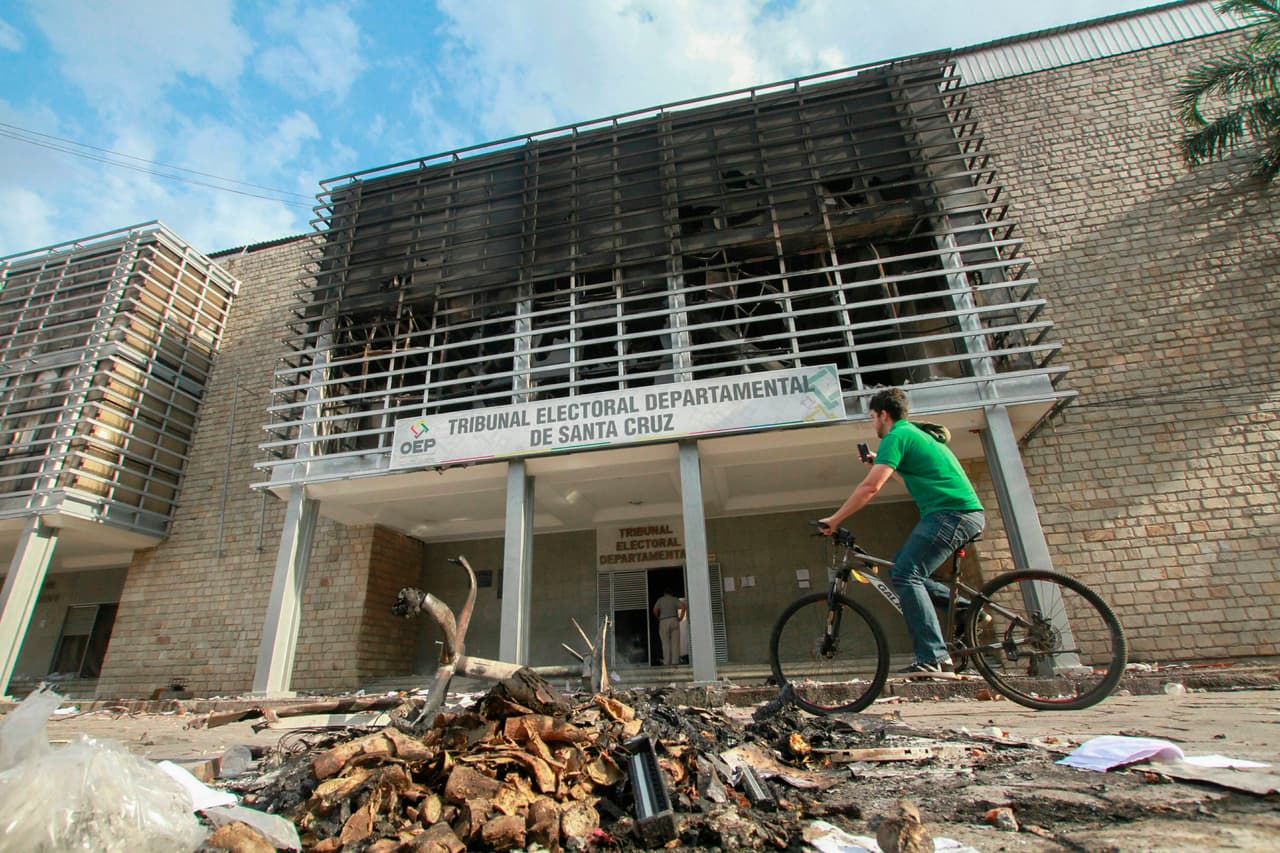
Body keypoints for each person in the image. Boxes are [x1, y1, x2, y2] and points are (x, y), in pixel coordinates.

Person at [819, 388, 984, 677]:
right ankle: (968, 610)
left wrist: (835, 519)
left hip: (951, 513)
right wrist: (878, 461)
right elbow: (909, 480)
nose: (873, 424)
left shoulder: (896, 436)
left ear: (884, 414)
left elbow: (870, 488)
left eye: (872, 417)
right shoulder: (913, 434)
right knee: (906, 572)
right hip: (958, 513)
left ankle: (934, 657)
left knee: (906, 574)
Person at [652, 588, 686, 666]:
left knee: (665, 643)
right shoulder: (674, 599)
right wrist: (681, 617)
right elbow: (683, 607)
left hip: (664, 621)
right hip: (674, 620)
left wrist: (658, 617)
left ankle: (667, 662)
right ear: (671, 593)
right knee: (675, 642)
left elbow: (655, 609)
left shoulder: (660, 600)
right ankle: (675, 662)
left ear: (664, 593)